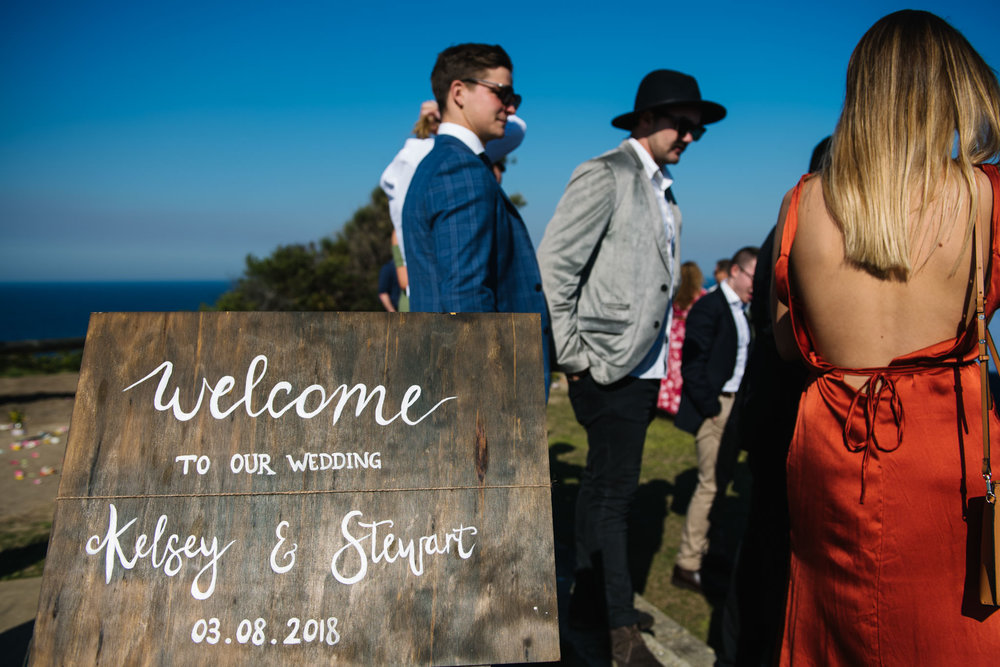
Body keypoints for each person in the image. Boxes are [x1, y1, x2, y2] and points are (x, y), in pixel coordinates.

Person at [771, 10, 1000, 663]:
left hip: (830, 443)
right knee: (951, 632)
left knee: (835, 625)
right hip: (941, 442)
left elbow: (790, 342)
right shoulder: (983, 196)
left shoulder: (805, 199)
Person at [537, 69, 725, 665]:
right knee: (614, 498)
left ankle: (593, 605)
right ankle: (620, 631)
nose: (690, 135)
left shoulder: (664, 188)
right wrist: (575, 357)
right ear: (643, 120)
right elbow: (554, 270)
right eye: (681, 123)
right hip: (606, 368)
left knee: (600, 492)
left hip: (642, 371)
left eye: (696, 128)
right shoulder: (606, 173)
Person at [402, 43, 550, 393]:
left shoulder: (439, 164)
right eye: (502, 93)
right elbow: (465, 299)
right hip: (475, 388)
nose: (511, 107)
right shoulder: (461, 170)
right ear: (458, 92)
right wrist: (490, 400)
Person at [379, 100, 527, 308]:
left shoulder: (407, 162)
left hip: (422, 297)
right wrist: (450, 113)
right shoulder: (447, 157)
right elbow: (518, 129)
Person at [672, 247, 757, 594]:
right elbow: (692, 363)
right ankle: (687, 563)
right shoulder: (709, 306)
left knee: (721, 483)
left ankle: (711, 553)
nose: (757, 284)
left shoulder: (745, 310)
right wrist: (712, 407)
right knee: (709, 485)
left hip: (736, 406)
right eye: (754, 276)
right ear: (735, 271)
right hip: (717, 407)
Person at [657, 261, 706, 414]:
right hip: (689, 333)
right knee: (683, 369)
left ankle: (665, 401)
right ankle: (679, 404)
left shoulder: (674, 293)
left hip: (673, 332)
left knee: (670, 370)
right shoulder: (701, 295)